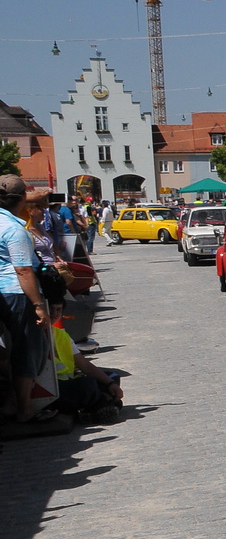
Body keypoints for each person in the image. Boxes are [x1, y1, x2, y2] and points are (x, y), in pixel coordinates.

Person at [0, 176, 52, 422]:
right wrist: (39, 305)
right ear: (22, 199)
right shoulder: (13, 229)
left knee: (5, 352)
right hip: (17, 293)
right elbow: (23, 270)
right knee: (26, 350)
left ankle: (9, 404)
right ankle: (25, 410)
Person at [42, 277, 121, 419]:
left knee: (112, 377)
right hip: (53, 388)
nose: (54, 313)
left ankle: (99, 403)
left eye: (58, 310)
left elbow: (84, 364)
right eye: (50, 309)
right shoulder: (33, 335)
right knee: (87, 386)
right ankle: (100, 404)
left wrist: (109, 383)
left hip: (70, 381)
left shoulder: (61, 335)